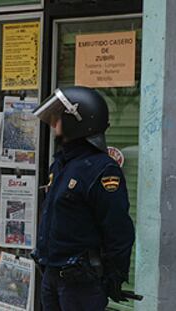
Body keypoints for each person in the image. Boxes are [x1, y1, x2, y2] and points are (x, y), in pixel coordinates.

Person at [31, 86, 135, 311]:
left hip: (80, 284)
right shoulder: (61, 163)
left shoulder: (102, 170)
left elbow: (118, 230)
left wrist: (115, 276)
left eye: (59, 117)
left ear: (77, 121)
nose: (53, 123)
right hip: (51, 276)